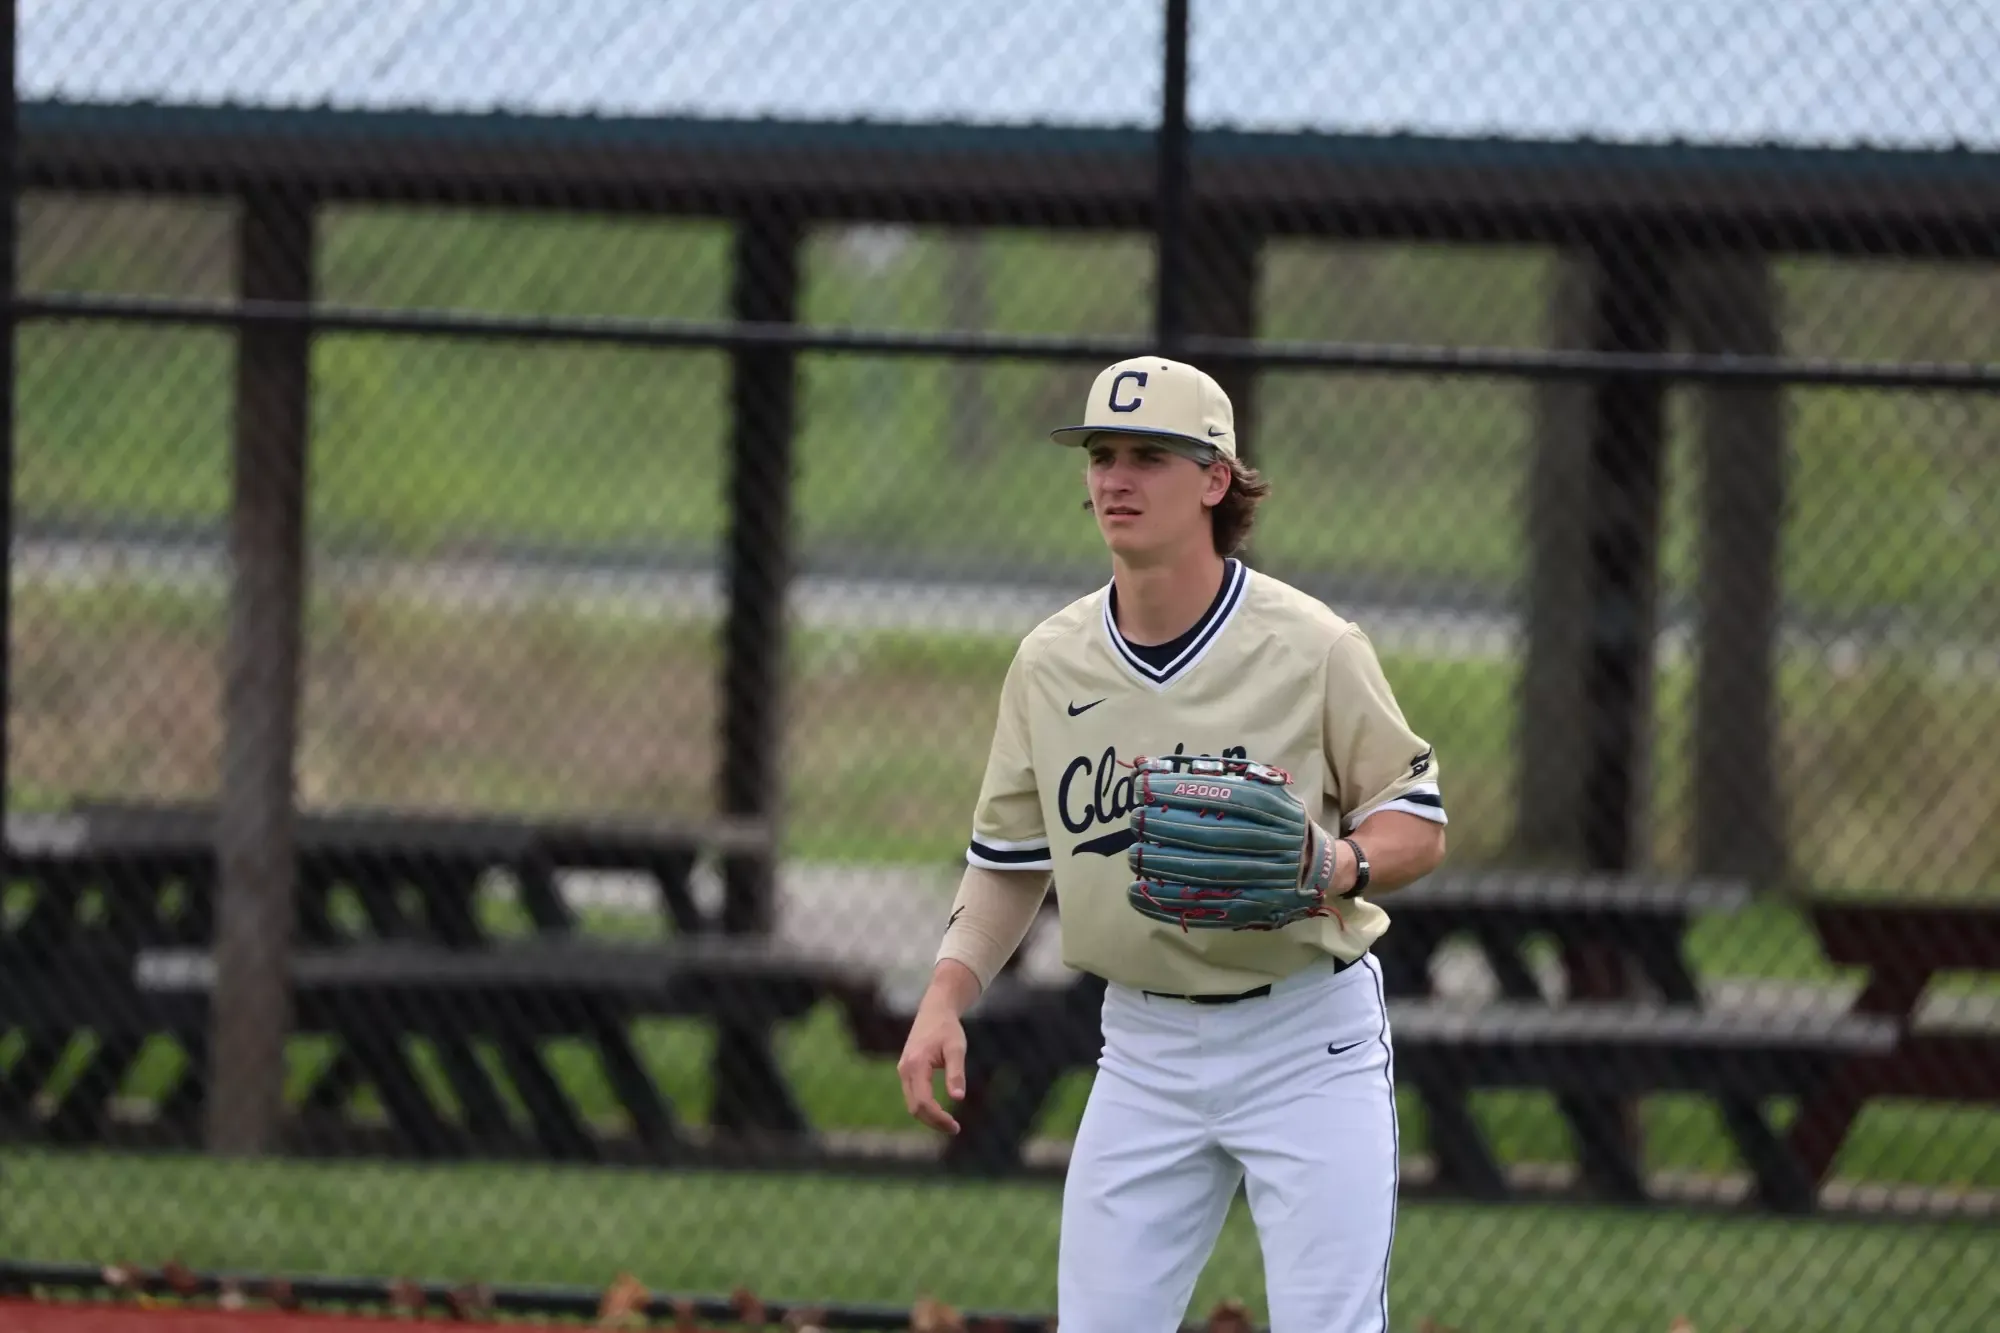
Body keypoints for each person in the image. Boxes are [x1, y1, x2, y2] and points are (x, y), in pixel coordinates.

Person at [896, 355, 1450, 1332]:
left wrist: (1340, 864)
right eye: (1100, 454)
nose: (1114, 476)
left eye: (1149, 454)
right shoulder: (1049, 661)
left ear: (1214, 479)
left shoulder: (1312, 645)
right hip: (1142, 1047)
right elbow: (1008, 864)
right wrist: (946, 994)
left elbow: (1419, 817)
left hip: (1301, 1041)